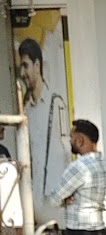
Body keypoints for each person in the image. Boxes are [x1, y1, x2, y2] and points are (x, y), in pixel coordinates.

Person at [17, 37, 69, 215]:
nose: (23, 73)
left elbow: (66, 151)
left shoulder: (56, 103)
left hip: (54, 200)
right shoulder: (27, 110)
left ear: (37, 65)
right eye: (21, 67)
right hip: (35, 200)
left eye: (26, 65)